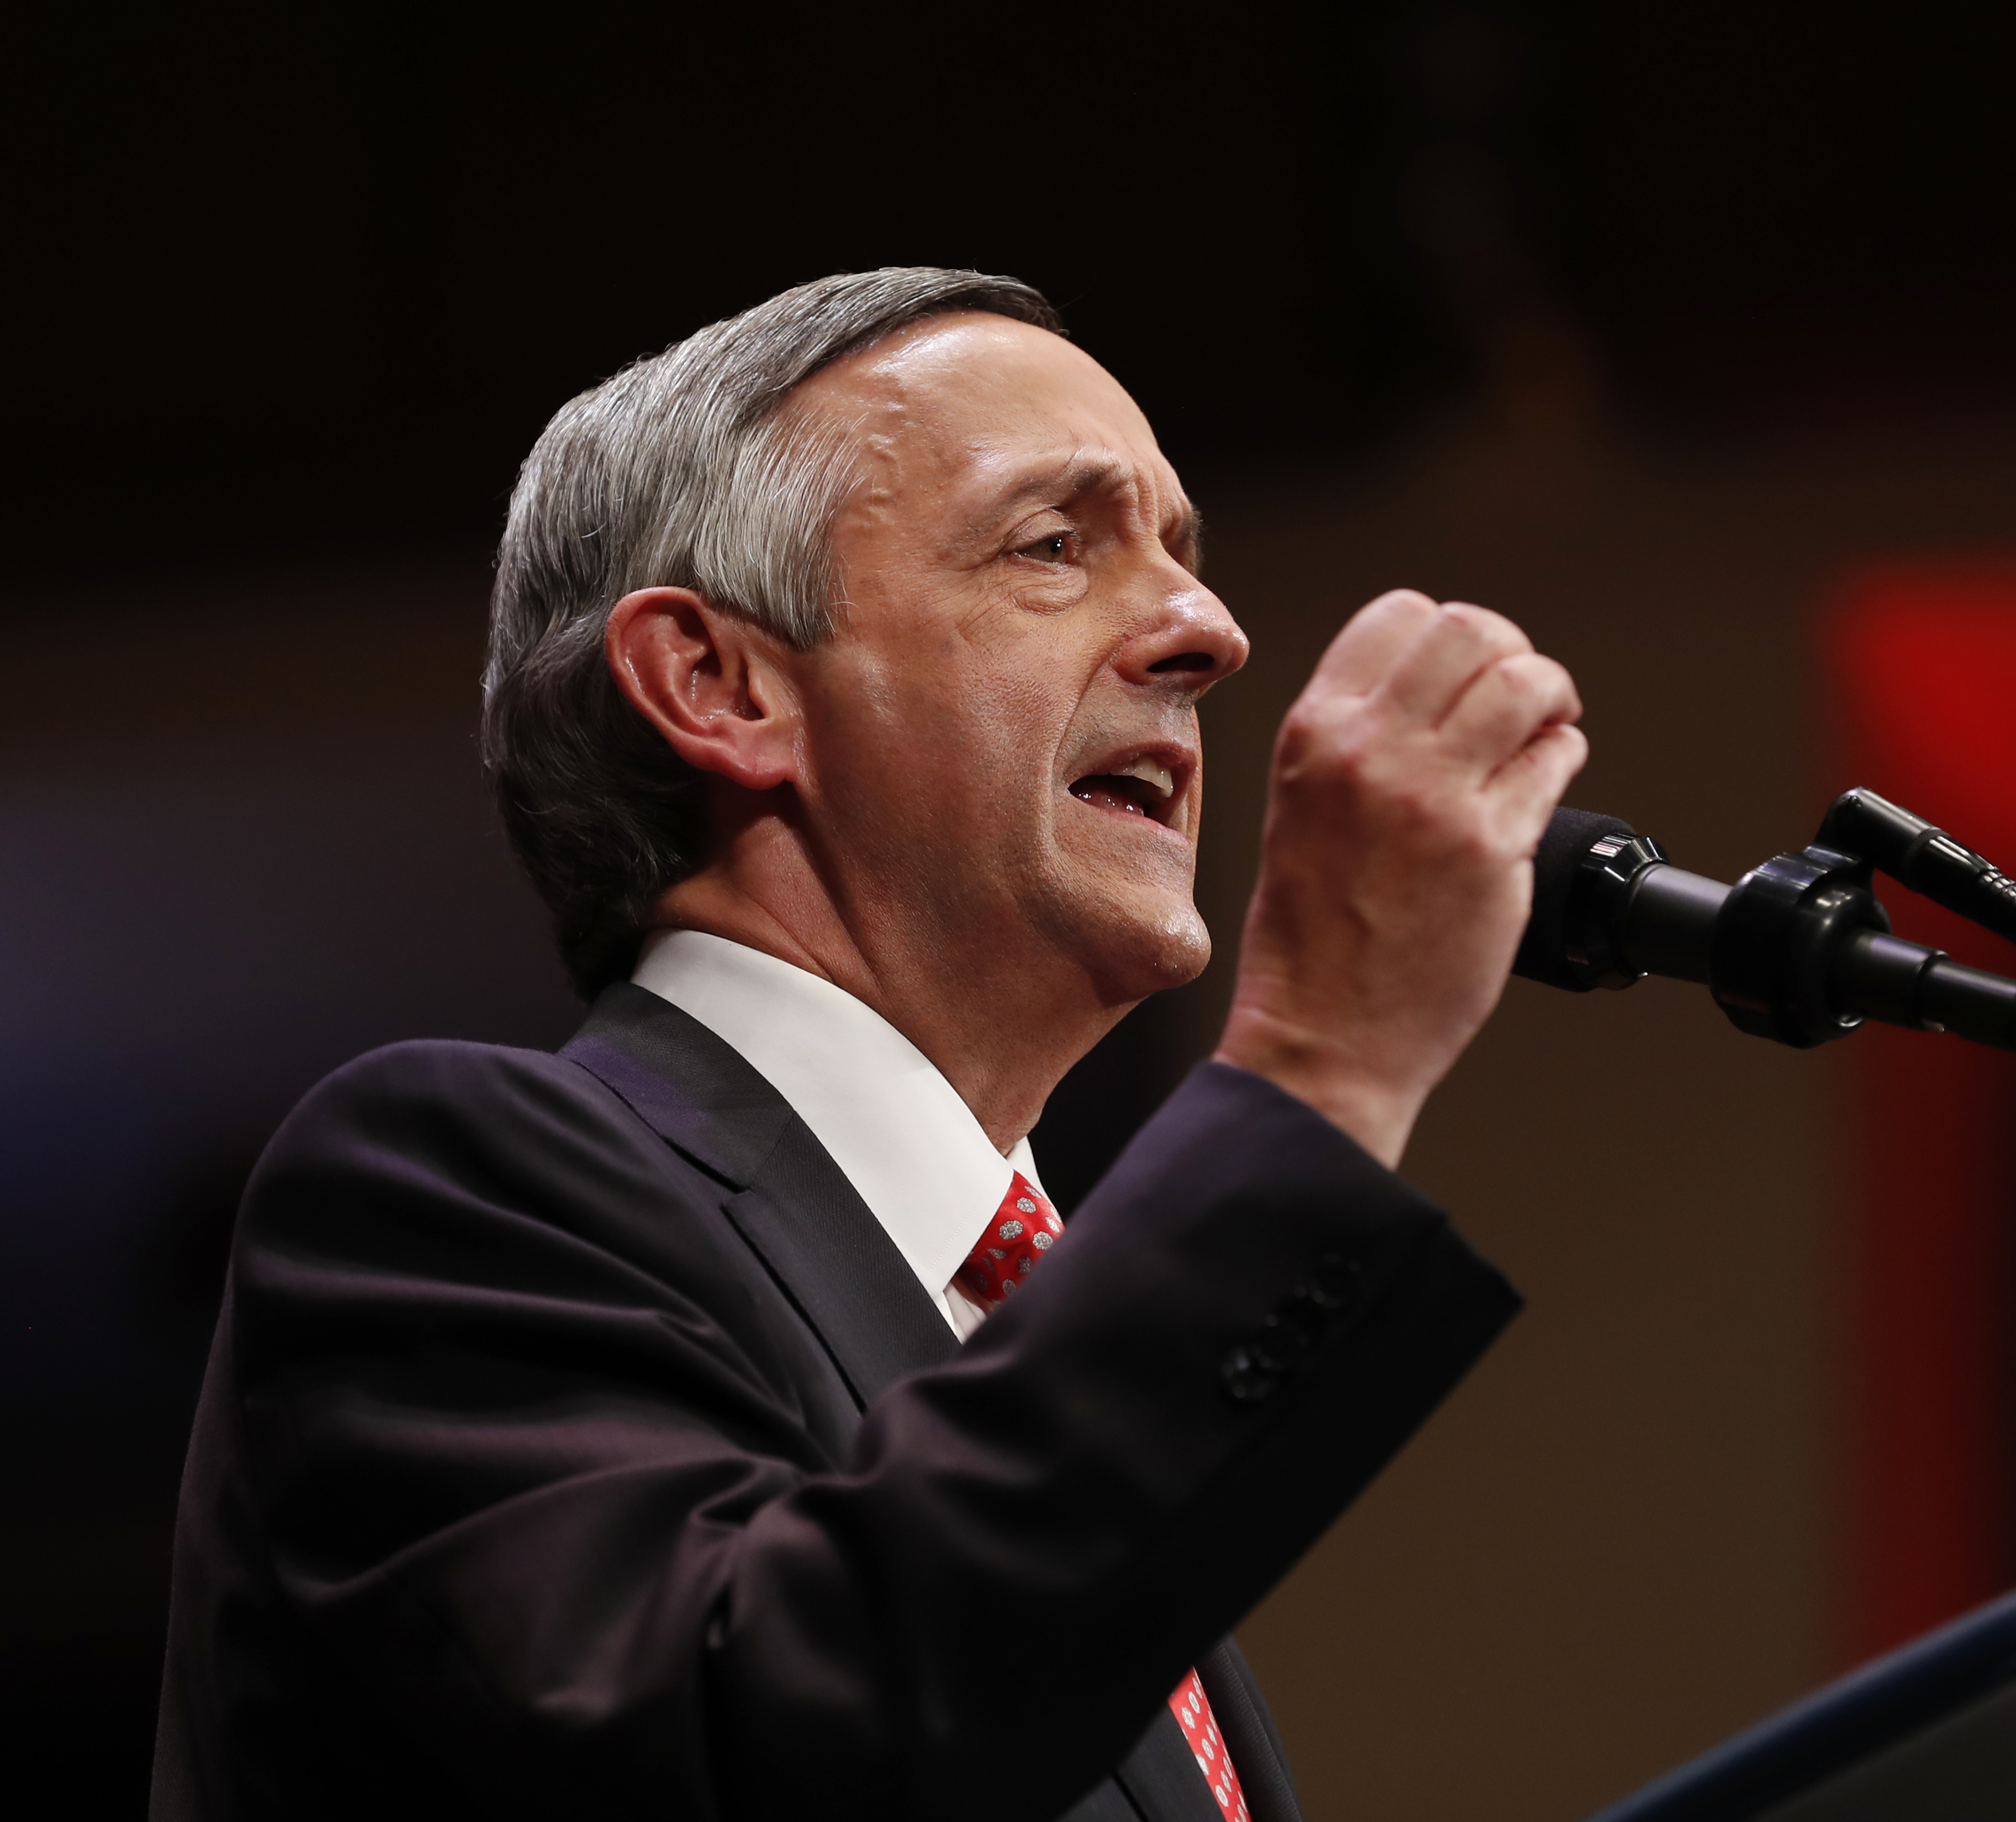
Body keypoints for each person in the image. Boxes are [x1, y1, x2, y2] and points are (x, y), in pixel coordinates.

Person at [153, 268, 1587, 1822]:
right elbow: (773, 1748)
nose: (1208, 631)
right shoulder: (448, 1194)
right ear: (718, 682)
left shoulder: (1034, 1320)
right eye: (1056, 543)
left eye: (1180, 551)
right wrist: (1319, 1066)